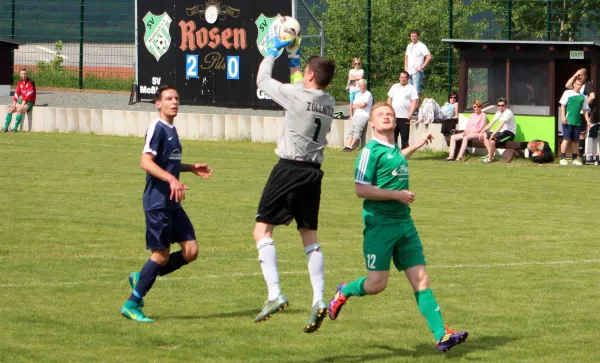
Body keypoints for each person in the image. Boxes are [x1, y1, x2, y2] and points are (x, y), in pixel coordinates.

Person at [328, 102, 468, 353]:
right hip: (379, 225)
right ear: (372, 123)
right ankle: (344, 291)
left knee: (421, 279)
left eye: (390, 114)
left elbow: (395, 159)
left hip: (405, 224)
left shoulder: (392, 149)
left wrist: (415, 145)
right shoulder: (369, 151)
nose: (386, 117)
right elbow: (360, 189)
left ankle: (441, 335)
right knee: (377, 284)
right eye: (380, 114)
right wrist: (397, 195)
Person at [253, 25, 336, 333]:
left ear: (310, 76)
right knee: (309, 237)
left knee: (262, 230)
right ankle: (318, 299)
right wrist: (295, 56)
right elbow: (303, 82)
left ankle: (274, 294)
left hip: (288, 168)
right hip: (313, 173)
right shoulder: (328, 101)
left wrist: (273, 50)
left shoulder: (295, 95)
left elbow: (263, 80)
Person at [120, 86, 213, 323]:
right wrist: (172, 179)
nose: (174, 102)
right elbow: (145, 161)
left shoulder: (172, 130)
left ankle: (142, 276)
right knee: (160, 255)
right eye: (169, 99)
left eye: (177, 99)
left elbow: (168, 162)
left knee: (191, 251)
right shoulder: (157, 128)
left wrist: (190, 168)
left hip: (172, 201)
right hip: (157, 201)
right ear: (157, 104)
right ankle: (132, 303)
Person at [559, 79, 590, 166]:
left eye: (580, 85)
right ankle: (562, 158)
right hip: (568, 121)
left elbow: (585, 110)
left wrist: (587, 120)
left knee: (576, 141)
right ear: (574, 84)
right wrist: (563, 117)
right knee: (566, 139)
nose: (579, 86)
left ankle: (574, 159)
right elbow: (562, 105)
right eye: (577, 84)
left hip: (577, 122)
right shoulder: (567, 93)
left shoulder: (582, 96)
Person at [477, 98, 516, 163]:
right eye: (499, 105)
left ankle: (490, 159)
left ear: (506, 106)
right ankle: (490, 154)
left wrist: (493, 133)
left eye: (502, 105)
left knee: (492, 142)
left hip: (509, 134)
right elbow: (491, 123)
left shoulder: (508, 112)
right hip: (501, 133)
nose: (500, 107)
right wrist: (481, 132)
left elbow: (501, 124)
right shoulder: (498, 112)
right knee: (484, 134)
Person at [387, 71, 418, 149]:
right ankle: (393, 154)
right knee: (393, 138)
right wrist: (389, 112)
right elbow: (389, 99)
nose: (403, 79)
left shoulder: (411, 88)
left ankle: (404, 155)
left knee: (404, 139)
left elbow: (414, 102)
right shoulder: (394, 86)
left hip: (405, 117)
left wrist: (410, 115)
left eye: (405, 77)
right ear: (399, 78)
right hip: (394, 117)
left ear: (407, 78)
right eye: (402, 77)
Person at [343, 79, 373, 152]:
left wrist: (358, 105)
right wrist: (359, 105)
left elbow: (364, 105)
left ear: (365, 86)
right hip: (356, 115)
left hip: (363, 115)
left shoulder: (368, 94)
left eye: (364, 85)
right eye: (361, 85)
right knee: (351, 131)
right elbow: (353, 106)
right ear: (359, 86)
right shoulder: (358, 94)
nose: (362, 87)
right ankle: (347, 146)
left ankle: (351, 147)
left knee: (357, 130)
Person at [2, 68, 36, 133]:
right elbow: (17, 93)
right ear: (20, 75)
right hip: (22, 101)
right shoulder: (20, 83)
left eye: (25, 74)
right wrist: (14, 103)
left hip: (30, 102)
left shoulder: (31, 82)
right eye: (22, 74)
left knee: (19, 109)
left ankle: (15, 129)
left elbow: (29, 94)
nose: (23, 75)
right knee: (10, 109)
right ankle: (5, 129)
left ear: (27, 74)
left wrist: (22, 104)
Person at [404, 30, 431, 106]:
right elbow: (406, 57)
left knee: (416, 91)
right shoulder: (409, 46)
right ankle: (409, 107)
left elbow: (428, 57)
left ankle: (416, 108)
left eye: (415, 36)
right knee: (408, 91)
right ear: (410, 37)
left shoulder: (422, 46)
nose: (413, 38)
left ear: (418, 36)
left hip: (417, 72)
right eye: (412, 36)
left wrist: (422, 67)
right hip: (408, 72)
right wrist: (405, 69)